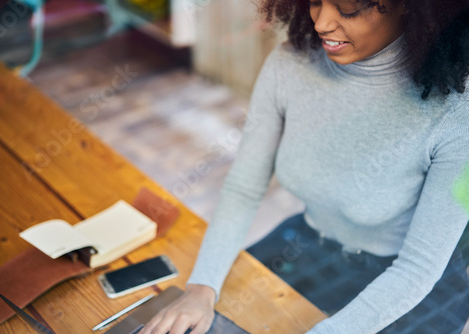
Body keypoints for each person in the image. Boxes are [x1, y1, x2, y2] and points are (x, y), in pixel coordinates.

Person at [140, 0, 469, 333]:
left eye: (348, 9)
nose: (322, 23)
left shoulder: (457, 113)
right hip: (307, 244)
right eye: (314, 1)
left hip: (406, 285)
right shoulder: (290, 63)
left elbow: (419, 268)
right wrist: (201, 289)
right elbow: (243, 187)